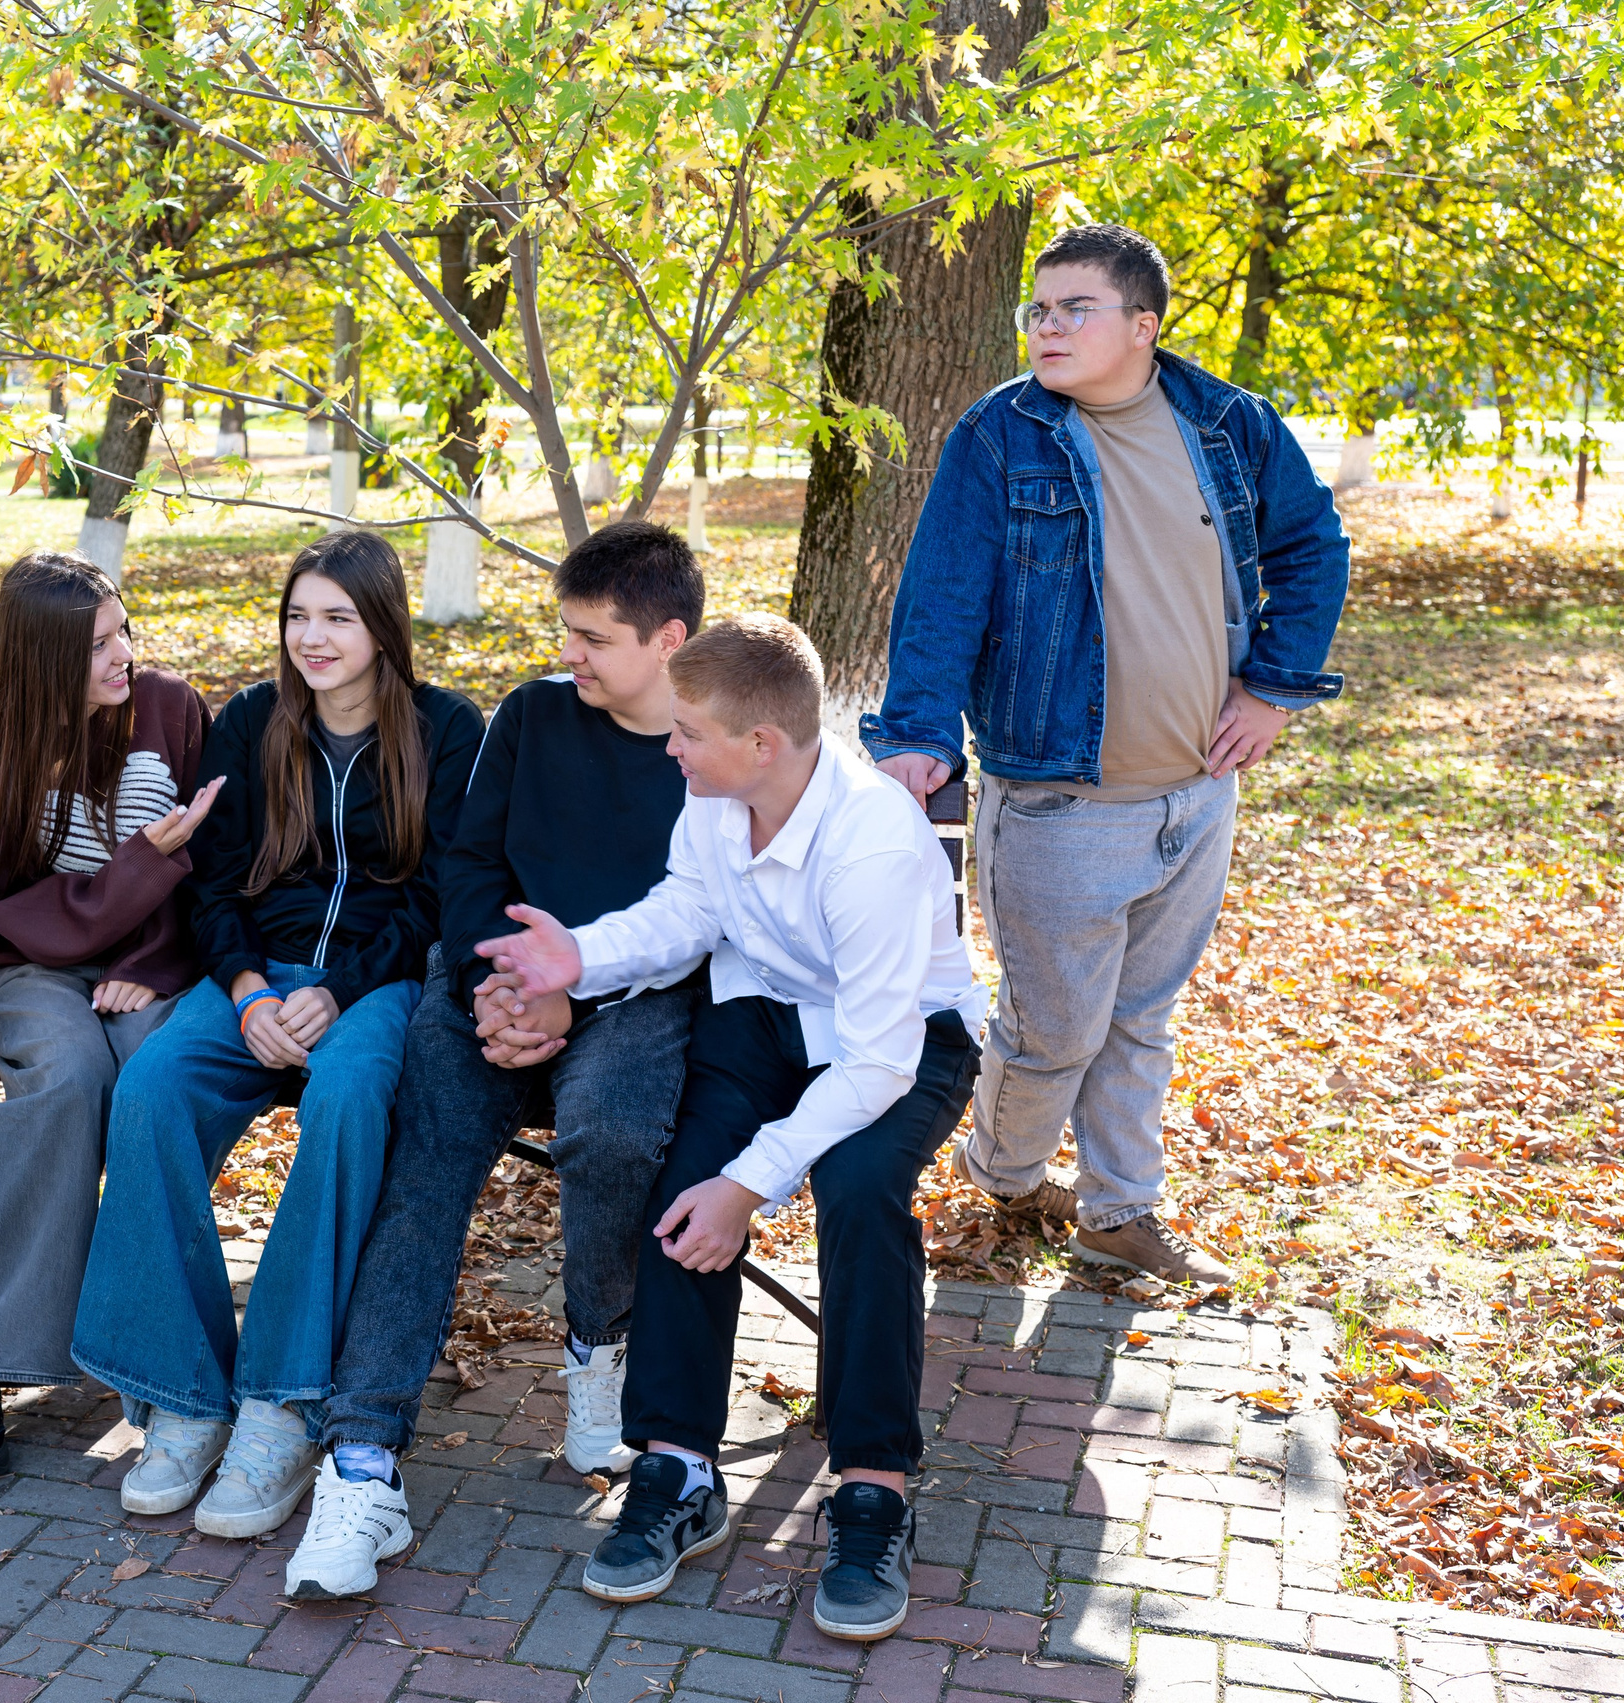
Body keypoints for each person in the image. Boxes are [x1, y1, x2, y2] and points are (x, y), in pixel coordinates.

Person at [475, 615, 985, 1638]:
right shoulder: (715, 798)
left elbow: (877, 1061)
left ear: (762, 743)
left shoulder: (873, 842)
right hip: (763, 1014)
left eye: (688, 732)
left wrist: (749, 1185)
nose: (670, 746)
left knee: (860, 1191)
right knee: (680, 1176)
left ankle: (873, 1486)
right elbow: (686, 912)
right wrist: (580, 956)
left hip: (900, 1037)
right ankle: (678, 1466)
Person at [862, 222, 1349, 1284]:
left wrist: (1273, 686)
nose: (1047, 326)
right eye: (1038, 309)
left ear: (1143, 325)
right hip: (1058, 803)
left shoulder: (1228, 423)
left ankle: (1119, 1212)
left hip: (1197, 795)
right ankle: (1005, 1175)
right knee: (1052, 1032)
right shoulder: (1000, 436)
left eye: (1074, 308)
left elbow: (1313, 545)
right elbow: (942, 596)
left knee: (1141, 1020)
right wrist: (916, 737)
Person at [283, 521, 706, 1602]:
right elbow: (470, 863)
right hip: (492, 986)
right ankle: (361, 1461)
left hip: (632, 997)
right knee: (423, 1165)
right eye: (567, 631)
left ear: (668, 640)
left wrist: (573, 991)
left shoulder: (707, 749)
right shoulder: (532, 715)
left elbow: (699, 918)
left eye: (593, 638)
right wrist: (492, 984)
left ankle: (598, 1343)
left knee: (609, 1133)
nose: (569, 653)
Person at [72, 530, 484, 1539]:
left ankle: (281, 1403)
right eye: (298, 615)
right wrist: (248, 987)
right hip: (255, 973)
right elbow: (213, 881)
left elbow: (440, 892)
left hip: (379, 981)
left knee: (347, 1098)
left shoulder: (445, 727)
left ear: (383, 624)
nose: (314, 637)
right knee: (152, 1090)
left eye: (338, 616)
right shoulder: (253, 720)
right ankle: (182, 1392)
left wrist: (338, 990)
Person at [0, 551, 220, 1479]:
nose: (123, 653)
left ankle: (149, 1346)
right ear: (42, 658)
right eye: (97, 645)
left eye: (123, 630)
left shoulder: (171, 709)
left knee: (154, 1075)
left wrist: (150, 957)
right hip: (35, 964)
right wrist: (129, 878)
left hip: (157, 958)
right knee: (63, 1080)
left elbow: (213, 866)